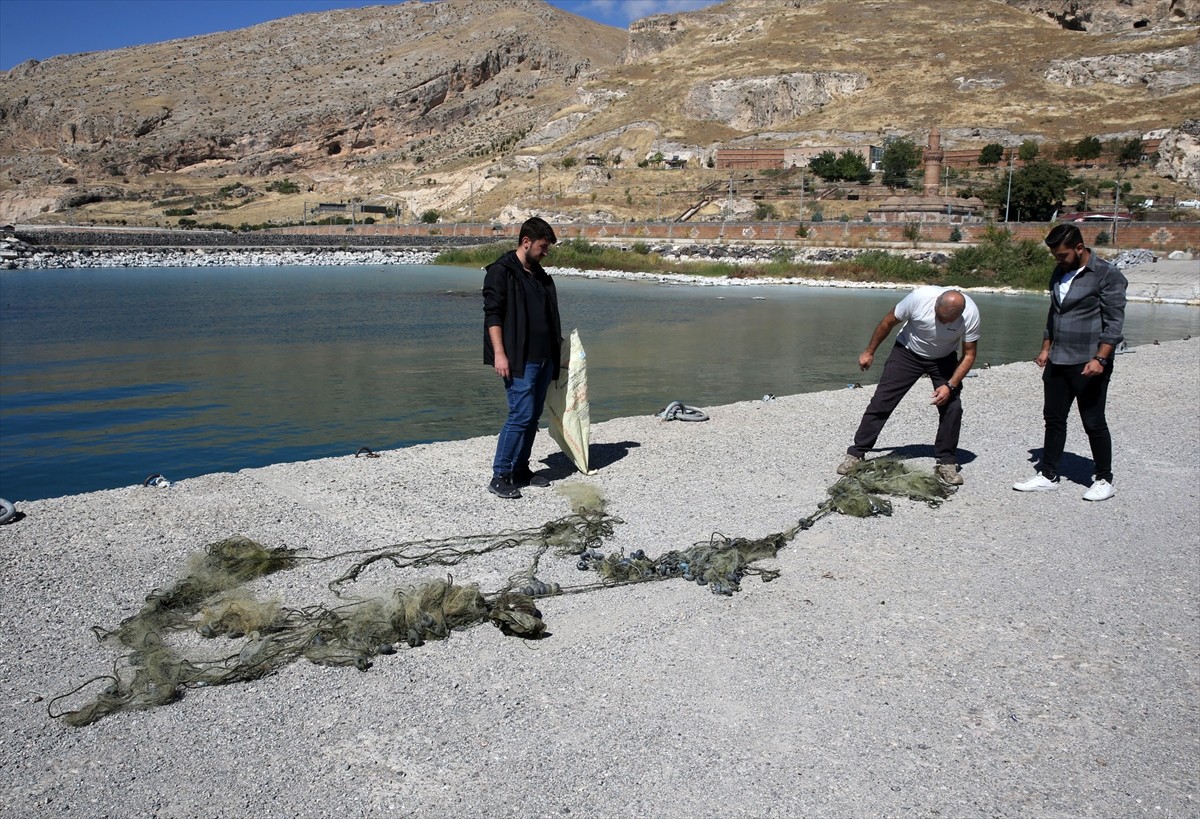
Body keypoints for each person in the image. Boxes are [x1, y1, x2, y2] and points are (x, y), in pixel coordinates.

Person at [1013, 224, 1126, 501]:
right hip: (1058, 358)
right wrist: (1045, 347)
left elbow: (1114, 322)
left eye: (1062, 255)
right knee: (1053, 418)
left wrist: (1101, 357)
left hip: (1089, 360)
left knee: (1093, 420)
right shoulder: (1060, 271)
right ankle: (1048, 474)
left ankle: (1103, 479)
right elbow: (1055, 313)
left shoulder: (1107, 275)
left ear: (1079, 248)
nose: (1058, 260)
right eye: (1055, 256)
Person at [838, 286, 980, 485]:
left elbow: (970, 355)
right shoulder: (918, 299)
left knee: (953, 407)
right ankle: (857, 453)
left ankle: (946, 462)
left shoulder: (971, 314)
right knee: (882, 402)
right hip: (908, 353)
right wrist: (870, 351)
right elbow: (887, 322)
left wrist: (950, 385)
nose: (944, 322)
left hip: (944, 358)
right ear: (936, 304)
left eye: (949, 320)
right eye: (941, 317)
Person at [482, 217, 562, 499]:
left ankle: (520, 469)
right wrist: (500, 355)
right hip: (518, 359)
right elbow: (493, 315)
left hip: (544, 359)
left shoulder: (539, 275)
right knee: (520, 415)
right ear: (526, 242)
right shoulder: (501, 272)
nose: (545, 252)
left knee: (533, 416)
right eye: (542, 247)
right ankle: (500, 475)